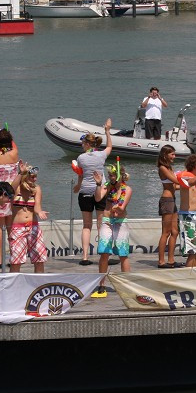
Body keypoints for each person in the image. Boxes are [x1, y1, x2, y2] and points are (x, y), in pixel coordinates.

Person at [73, 119, 113, 266]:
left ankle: (84, 257)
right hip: (100, 191)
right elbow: (110, 146)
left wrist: (78, 186)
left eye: (83, 143)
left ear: (87, 144)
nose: (82, 146)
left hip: (85, 192)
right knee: (101, 225)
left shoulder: (81, 158)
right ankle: (104, 254)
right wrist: (107, 131)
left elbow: (81, 175)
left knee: (86, 225)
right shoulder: (101, 155)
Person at [90, 163, 132, 298]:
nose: (110, 178)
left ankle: (126, 285)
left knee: (123, 253)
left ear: (120, 175)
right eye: (109, 176)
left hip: (120, 222)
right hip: (107, 221)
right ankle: (101, 286)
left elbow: (122, 207)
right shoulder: (108, 186)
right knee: (104, 253)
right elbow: (97, 198)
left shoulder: (127, 189)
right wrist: (98, 185)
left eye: (112, 175)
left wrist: (118, 209)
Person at [0, 120, 20, 269]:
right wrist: (0, 131)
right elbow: (13, 145)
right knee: (11, 227)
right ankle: (14, 257)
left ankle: (0, 260)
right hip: (12, 194)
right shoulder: (14, 154)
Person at [9, 165, 49, 274]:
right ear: (25, 177)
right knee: (16, 260)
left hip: (33, 226)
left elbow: (37, 207)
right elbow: (10, 189)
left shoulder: (36, 189)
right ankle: (14, 286)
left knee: (39, 258)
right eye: (32, 177)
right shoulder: (17, 188)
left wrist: (39, 212)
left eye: (36, 177)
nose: (35, 179)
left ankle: (39, 285)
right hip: (18, 228)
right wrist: (20, 173)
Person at [156, 145, 182, 269]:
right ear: (165, 155)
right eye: (172, 154)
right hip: (166, 200)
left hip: (172, 200)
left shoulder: (169, 168)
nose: (174, 156)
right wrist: (190, 179)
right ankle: (161, 261)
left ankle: (171, 260)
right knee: (165, 232)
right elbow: (176, 181)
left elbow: (176, 186)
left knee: (175, 231)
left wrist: (192, 186)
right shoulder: (163, 168)